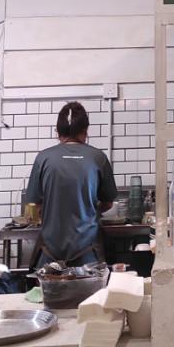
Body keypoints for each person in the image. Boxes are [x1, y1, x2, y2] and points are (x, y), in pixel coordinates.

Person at [25, 102, 117, 266]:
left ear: (58, 132)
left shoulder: (43, 158)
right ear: (85, 131)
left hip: (50, 253)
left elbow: (34, 206)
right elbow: (108, 203)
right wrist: (87, 210)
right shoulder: (98, 158)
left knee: (48, 283)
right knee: (90, 284)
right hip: (88, 252)